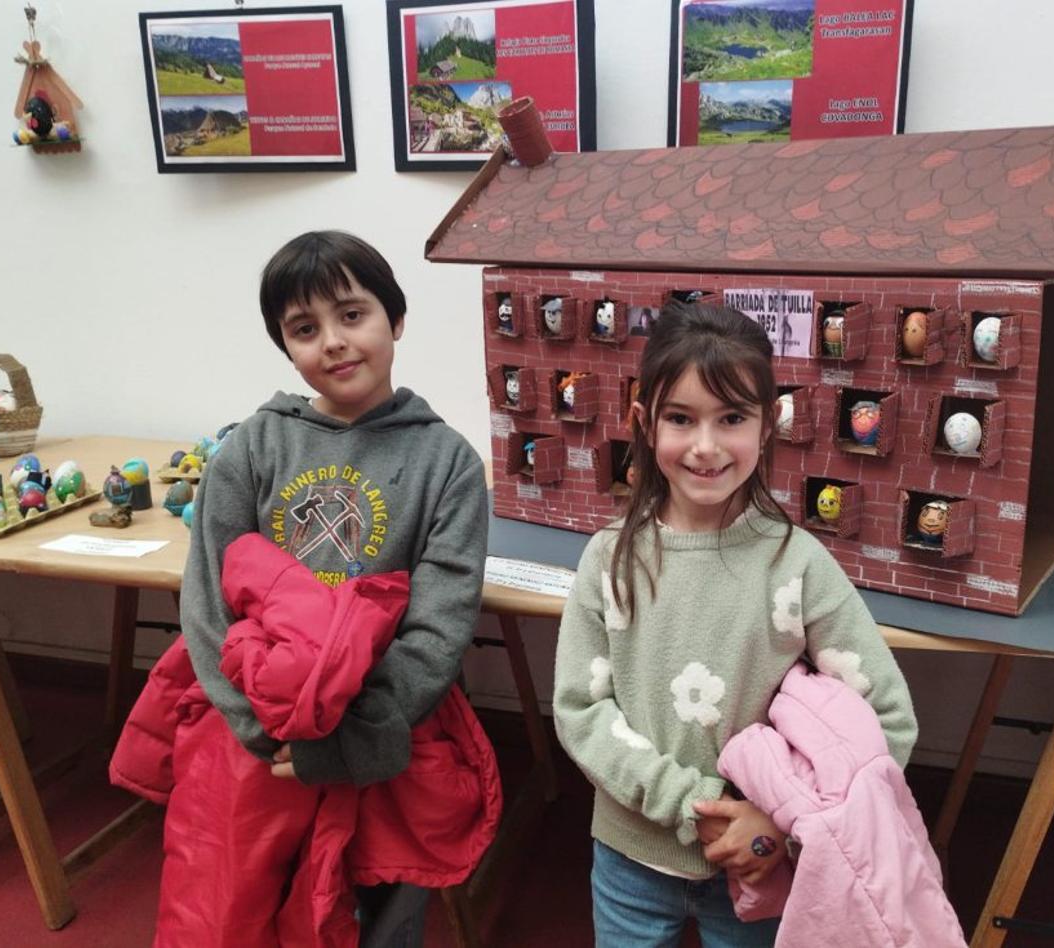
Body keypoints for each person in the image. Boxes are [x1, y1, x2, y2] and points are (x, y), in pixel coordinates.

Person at [552, 301, 917, 947]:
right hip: (629, 859)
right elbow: (581, 709)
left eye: (732, 418)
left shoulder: (799, 564)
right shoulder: (609, 558)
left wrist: (785, 817)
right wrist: (699, 808)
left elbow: (886, 718)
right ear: (644, 422)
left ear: (769, 423)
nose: (705, 446)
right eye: (680, 418)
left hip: (765, 862)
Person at [180, 230, 489, 947]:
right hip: (264, 737)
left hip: (388, 731)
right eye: (304, 328)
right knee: (259, 906)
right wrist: (262, 732)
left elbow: (440, 623)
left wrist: (353, 739)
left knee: (385, 908)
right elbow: (206, 603)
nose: (334, 342)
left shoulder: (448, 462)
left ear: (396, 319)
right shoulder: (251, 448)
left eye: (353, 315)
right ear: (286, 347)